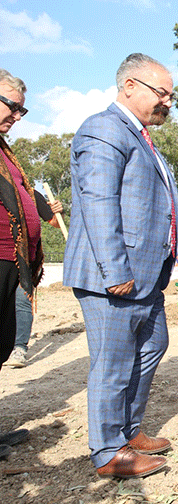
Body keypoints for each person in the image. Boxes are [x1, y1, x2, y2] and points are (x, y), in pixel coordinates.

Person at [64, 54, 177, 478]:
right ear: (130, 86)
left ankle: (127, 430)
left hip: (144, 276)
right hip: (113, 276)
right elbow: (98, 204)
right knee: (112, 363)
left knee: (152, 346)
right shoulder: (104, 129)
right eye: (161, 93)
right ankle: (109, 452)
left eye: (171, 96)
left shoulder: (140, 135)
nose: (167, 102)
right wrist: (115, 271)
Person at [0, 68, 40, 460]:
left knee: (1, 342)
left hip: (12, 261)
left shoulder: (4, 149)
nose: (16, 115)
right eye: (12, 106)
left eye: (21, 110)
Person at [8, 192, 63, 368]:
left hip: (26, 261)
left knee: (22, 302)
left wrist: (59, 212)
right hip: (3, 260)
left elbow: (55, 222)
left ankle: (19, 349)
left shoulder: (29, 192)